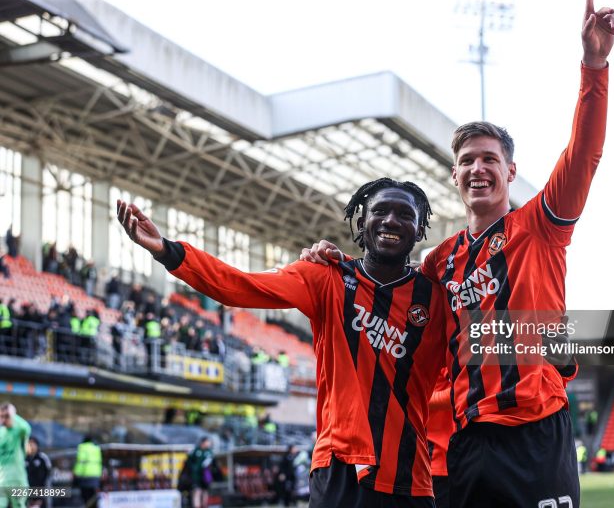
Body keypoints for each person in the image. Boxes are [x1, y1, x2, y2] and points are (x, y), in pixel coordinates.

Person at [301, 0, 614, 505]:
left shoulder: (541, 224)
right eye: (467, 160)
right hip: (468, 442)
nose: (479, 169)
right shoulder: (439, 261)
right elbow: (383, 289)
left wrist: (594, 66)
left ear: (510, 172)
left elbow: (584, 152)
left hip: (536, 432)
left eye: (490, 159)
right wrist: (335, 263)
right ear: (454, 175)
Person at [116, 177, 450, 508]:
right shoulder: (327, 277)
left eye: (405, 215)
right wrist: (166, 250)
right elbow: (239, 286)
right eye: (381, 211)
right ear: (362, 222)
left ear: (420, 231)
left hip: (410, 476)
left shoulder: (437, 298)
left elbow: (489, 357)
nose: (391, 220)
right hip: (339, 469)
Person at [427, 368, 452, 508]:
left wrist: (415, 398)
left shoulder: (444, 349)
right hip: (420, 454)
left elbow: (462, 392)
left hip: (439, 455)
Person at [0, 403, 31, 508]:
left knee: (19, 505)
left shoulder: (18, 431)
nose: (4, 419)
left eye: (6, 416)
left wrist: (13, 415)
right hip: (2, 480)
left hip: (17, 480)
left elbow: (26, 428)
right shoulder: (1, 433)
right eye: (1, 416)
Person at [186, 436, 214, 508]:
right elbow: (189, 462)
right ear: (203, 442)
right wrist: (193, 469)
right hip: (196, 476)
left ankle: (205, 505)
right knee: (197, 491)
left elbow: (212, 463)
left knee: (205, 491)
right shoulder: (196, 450)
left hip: (205, 476)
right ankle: (197, 506)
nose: (209, 443)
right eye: (207, 442)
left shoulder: (209, 452)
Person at [73, 435, 102, 506]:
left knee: (86, 498)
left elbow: (80, 462)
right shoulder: (96, 448)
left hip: (85, 477)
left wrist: (76, 473)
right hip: (95, 476)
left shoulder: (82, 448)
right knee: (93, 498)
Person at [25, 436, 52, 508]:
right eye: (29, 444)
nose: (31, 446)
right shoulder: (23, 458)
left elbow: (48, 473)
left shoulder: (42, 458)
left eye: (33, 444)